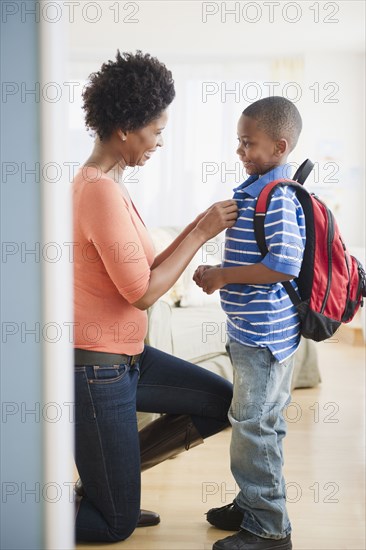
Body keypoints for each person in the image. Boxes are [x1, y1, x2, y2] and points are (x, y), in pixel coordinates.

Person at [72, 50, 238, 543]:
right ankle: (87, 502)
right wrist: (201, 232)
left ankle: (107, 483)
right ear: (125, 126)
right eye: (157, 131)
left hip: (129, 358)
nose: (160, 142)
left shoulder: (112, 184)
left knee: (218, 401)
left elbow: (143, 265)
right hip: (98, 369)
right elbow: (142, 292)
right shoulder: (97, 190)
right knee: (115, 526)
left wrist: (198, 225)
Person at [194, 96, 305, 550]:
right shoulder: (260, 188)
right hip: (261, 333)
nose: (240, 152)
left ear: (279, 146)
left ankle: (268, 527)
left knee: (251, 425)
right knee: (265, 422)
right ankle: (253, 500)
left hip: (263, 336)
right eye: (238, 143)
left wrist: (222, 277)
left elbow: (283, 264)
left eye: (248, 144)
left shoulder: (276, 195)